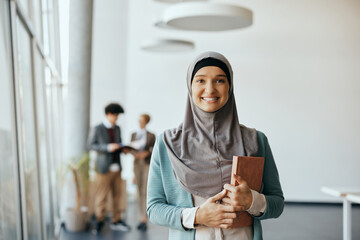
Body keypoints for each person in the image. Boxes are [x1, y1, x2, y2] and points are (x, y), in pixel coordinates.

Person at [147, 51, 284, 240]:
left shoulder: (256, 140)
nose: (210, 90)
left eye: (219, 80)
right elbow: (154, 208)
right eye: (200, 80)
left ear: (230, 86)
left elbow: (277, 203)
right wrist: (197, 216)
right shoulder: (167, 144)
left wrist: (253, 200)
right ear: (190, 86)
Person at [87, 103, 131, 234]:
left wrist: (124, 149)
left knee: (117, 196)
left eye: (118, 115)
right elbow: (90, 145)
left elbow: (119, 143)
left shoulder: (117, 128)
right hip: (103, 168)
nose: (117, 118)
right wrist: (107, 147)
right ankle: (99, 221)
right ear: (108, 114)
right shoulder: (97, 128)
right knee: (102, 196)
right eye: (115, 115)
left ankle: (116, 220)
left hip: (117, 168)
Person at [130, 114, 156, 231]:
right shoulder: (134, 135)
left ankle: (144, 218)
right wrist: (134, 153)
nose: (140, 122)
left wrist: (147, 153)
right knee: (138, 190)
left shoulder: (151, 135)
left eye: (142, 120)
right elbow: (130, 148)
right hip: (137, 164)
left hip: (146, 164)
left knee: (145, 190)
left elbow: (154, 151)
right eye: (139, 120)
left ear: (146, 122)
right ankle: (141, 215)